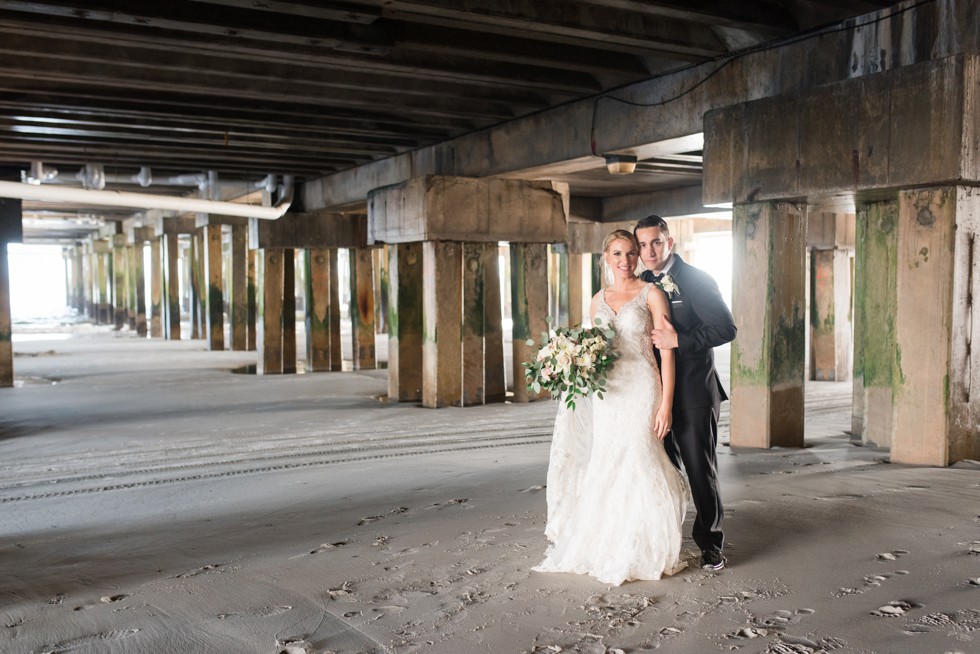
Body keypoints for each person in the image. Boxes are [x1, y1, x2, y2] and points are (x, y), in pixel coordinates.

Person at [534, 229, 689, 586]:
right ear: (606, 258)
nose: (626, 261)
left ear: (638, 257)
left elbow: (667, 351)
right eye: (618, 254)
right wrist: (571, 361)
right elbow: (592, 346)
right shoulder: (597, 299)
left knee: (640, 455)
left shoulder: (653, 294)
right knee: (606, 460)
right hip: (608, 392)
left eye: (632, 253)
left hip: (642, 387)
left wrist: (666, 403)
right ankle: (607, 541)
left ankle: (645, 544)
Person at [634, 215, 737, 571]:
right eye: (642, 245)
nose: (649, 251)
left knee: (699, 471)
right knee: (660, 469)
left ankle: (711, 543)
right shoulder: (641, 283)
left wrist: (680, 339)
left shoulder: (696, 281)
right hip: (652, 395)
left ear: (669, 242)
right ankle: (665, 539)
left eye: (655, 243)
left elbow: (726, 327)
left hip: (694, 393)